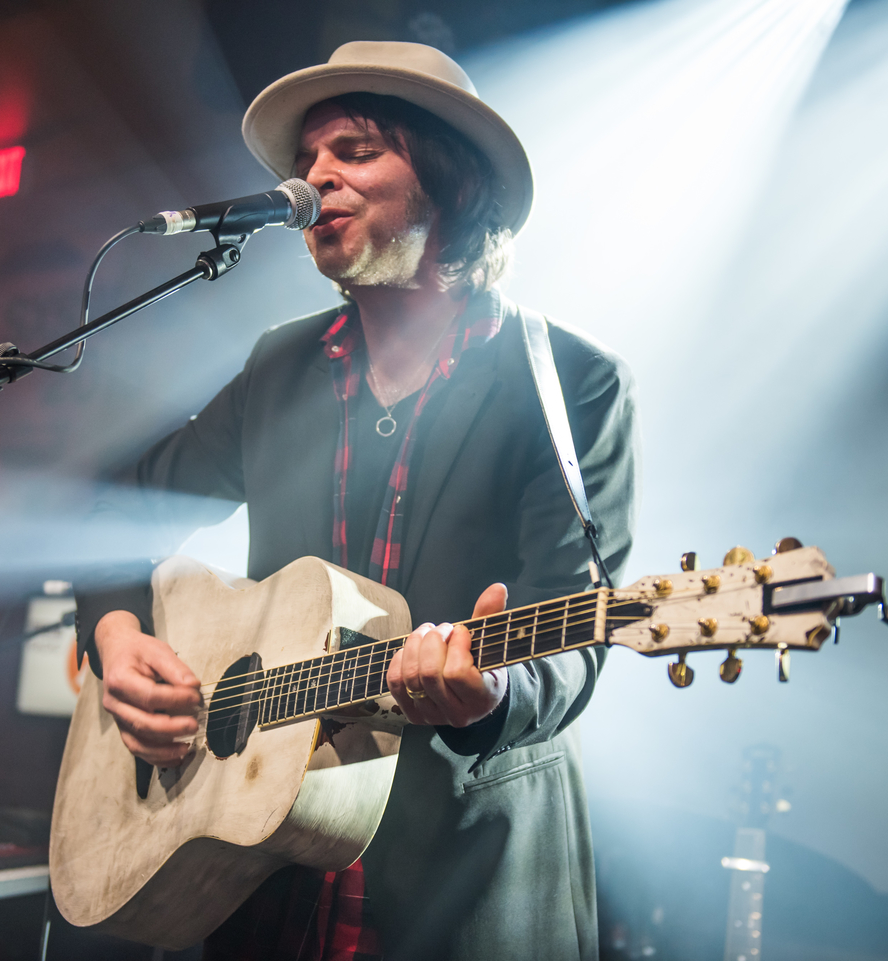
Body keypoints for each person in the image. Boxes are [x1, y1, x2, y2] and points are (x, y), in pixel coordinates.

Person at [75, 41, 637, 961]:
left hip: (463, 884)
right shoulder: (280, 367)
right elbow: (110, 516)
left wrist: (488, 689)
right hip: (261, 878)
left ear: (449, 183)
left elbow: (577, 642)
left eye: (359, 150)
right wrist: (115, 639)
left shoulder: (571, 384)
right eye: (308, 161)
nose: (317, 176)